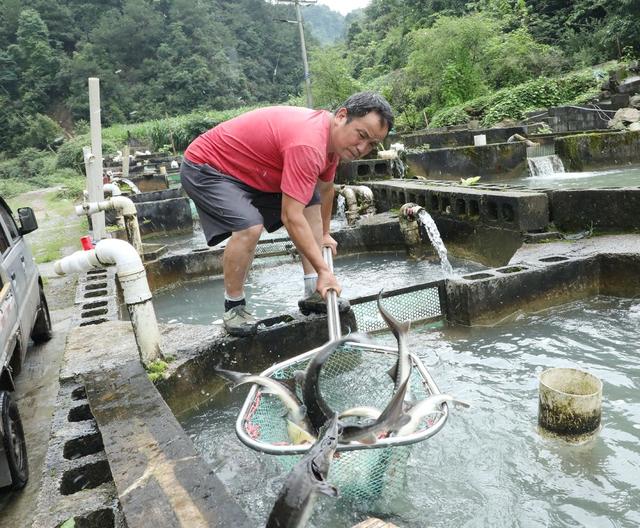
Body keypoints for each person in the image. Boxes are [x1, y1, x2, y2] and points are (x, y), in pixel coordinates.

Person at [180, 91, 394, 336]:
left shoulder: (333, 144)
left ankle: (314, 292)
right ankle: (234, 307)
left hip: (256, 171)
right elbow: (291, 217)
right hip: (209, 167)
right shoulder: (309, 143)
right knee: (250, 226)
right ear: (342, 116)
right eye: (361, 135)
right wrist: (326, 271)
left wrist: (324, 233)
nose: (362, 148)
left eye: (372, 144)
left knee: (309, 198)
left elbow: (324, 190)